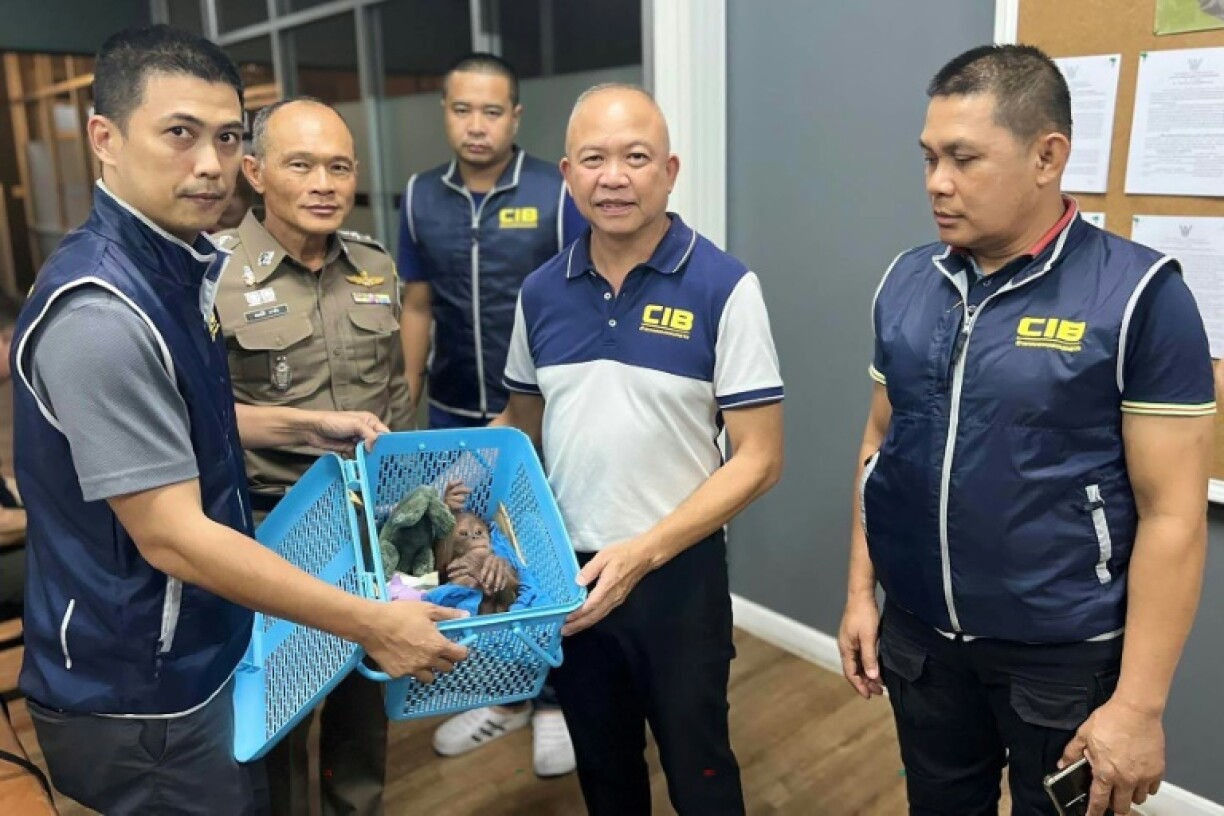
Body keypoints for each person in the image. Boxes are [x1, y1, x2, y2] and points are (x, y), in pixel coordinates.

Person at [9, 26, 468, 816]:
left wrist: (301, 426)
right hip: (143, 683)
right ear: (104, 139)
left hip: (202, 640)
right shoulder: (102, 314)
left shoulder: (173, 266)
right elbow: (171, 534)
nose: (210, 164)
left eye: (225, 137)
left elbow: (180, 428)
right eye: (179, 134)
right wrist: (372, 623)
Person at [837, 44, 1214, 816]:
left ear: (1048, 157)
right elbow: (881, 447)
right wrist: (858, 595)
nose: (937, 182)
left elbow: (1175, 515)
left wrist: (1139, 708)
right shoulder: (909, 281)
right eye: (930, 157)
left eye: (964, 158)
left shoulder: (1141, 297)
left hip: (1061, 658)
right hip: (922, 641)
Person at [498, 83, 784, 815]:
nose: (614, 177)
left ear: (670, 170)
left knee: (701, 767)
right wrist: (451, 476)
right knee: (604, 765)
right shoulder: (539, 293)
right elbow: (519, 423)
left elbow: (759, 457)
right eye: (593, 159)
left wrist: (646, 551)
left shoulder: (726, 286)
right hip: (572, 575)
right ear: (567, 175)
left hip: (677, 578)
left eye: (636, 157)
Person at [214, 97, 412, 816]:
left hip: (367, 526)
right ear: (255, 172)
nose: (324, 182)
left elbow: (394, 393)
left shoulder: (374, 264)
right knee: (282, 715)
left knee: (365, 704)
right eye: (301, 165)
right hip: (273, 534)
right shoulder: (212, 279)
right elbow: (195, 422)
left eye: (339, 166)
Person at [397, 52, 584, 775]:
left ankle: (556, 702)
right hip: (451, 411)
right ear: (445, 111)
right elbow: (416, 306)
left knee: (544, 563)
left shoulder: (554, 191)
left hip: (536, 422)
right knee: (474, 563)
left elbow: (579, 294)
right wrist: (407, 404)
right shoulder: (419, 197)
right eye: (462, 109)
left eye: (492, 110)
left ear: (515, 116)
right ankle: (504, 694)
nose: (477, 126)